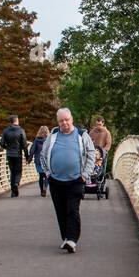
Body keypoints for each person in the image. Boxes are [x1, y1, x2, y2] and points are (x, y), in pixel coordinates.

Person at [40, 107, 96, 253]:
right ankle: (66, 237)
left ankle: (72, 240)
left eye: (66, 120)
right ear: (58, 122)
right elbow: (43, 155)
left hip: (76, 180)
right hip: (56, 180)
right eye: (61, 121)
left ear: (72, 119)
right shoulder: (52, 136)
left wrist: (85, 174)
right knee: (61, 211)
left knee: (72, 210)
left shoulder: (82, 135)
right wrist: (47, 173)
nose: (64, 123)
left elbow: (91, 154)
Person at [0, 114, 28, 197]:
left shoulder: (6, 131)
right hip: (18, 154)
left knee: (12, 172)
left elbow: (1, 143)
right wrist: (27, 156)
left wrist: (7, 147)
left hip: (9, 154)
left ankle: (13, 192)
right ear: (16, 120)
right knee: (18, 172)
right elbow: (25, 145)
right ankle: (16, 183)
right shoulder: (21, 130)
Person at [30, 125, 49, 196]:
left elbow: (32, 150)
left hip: (38, 160)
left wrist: (29, 158)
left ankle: (41, 191)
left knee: (41, 176)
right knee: (47, 175)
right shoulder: (49, 140)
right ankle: (45, 187)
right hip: (46, 161)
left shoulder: (36, 140)